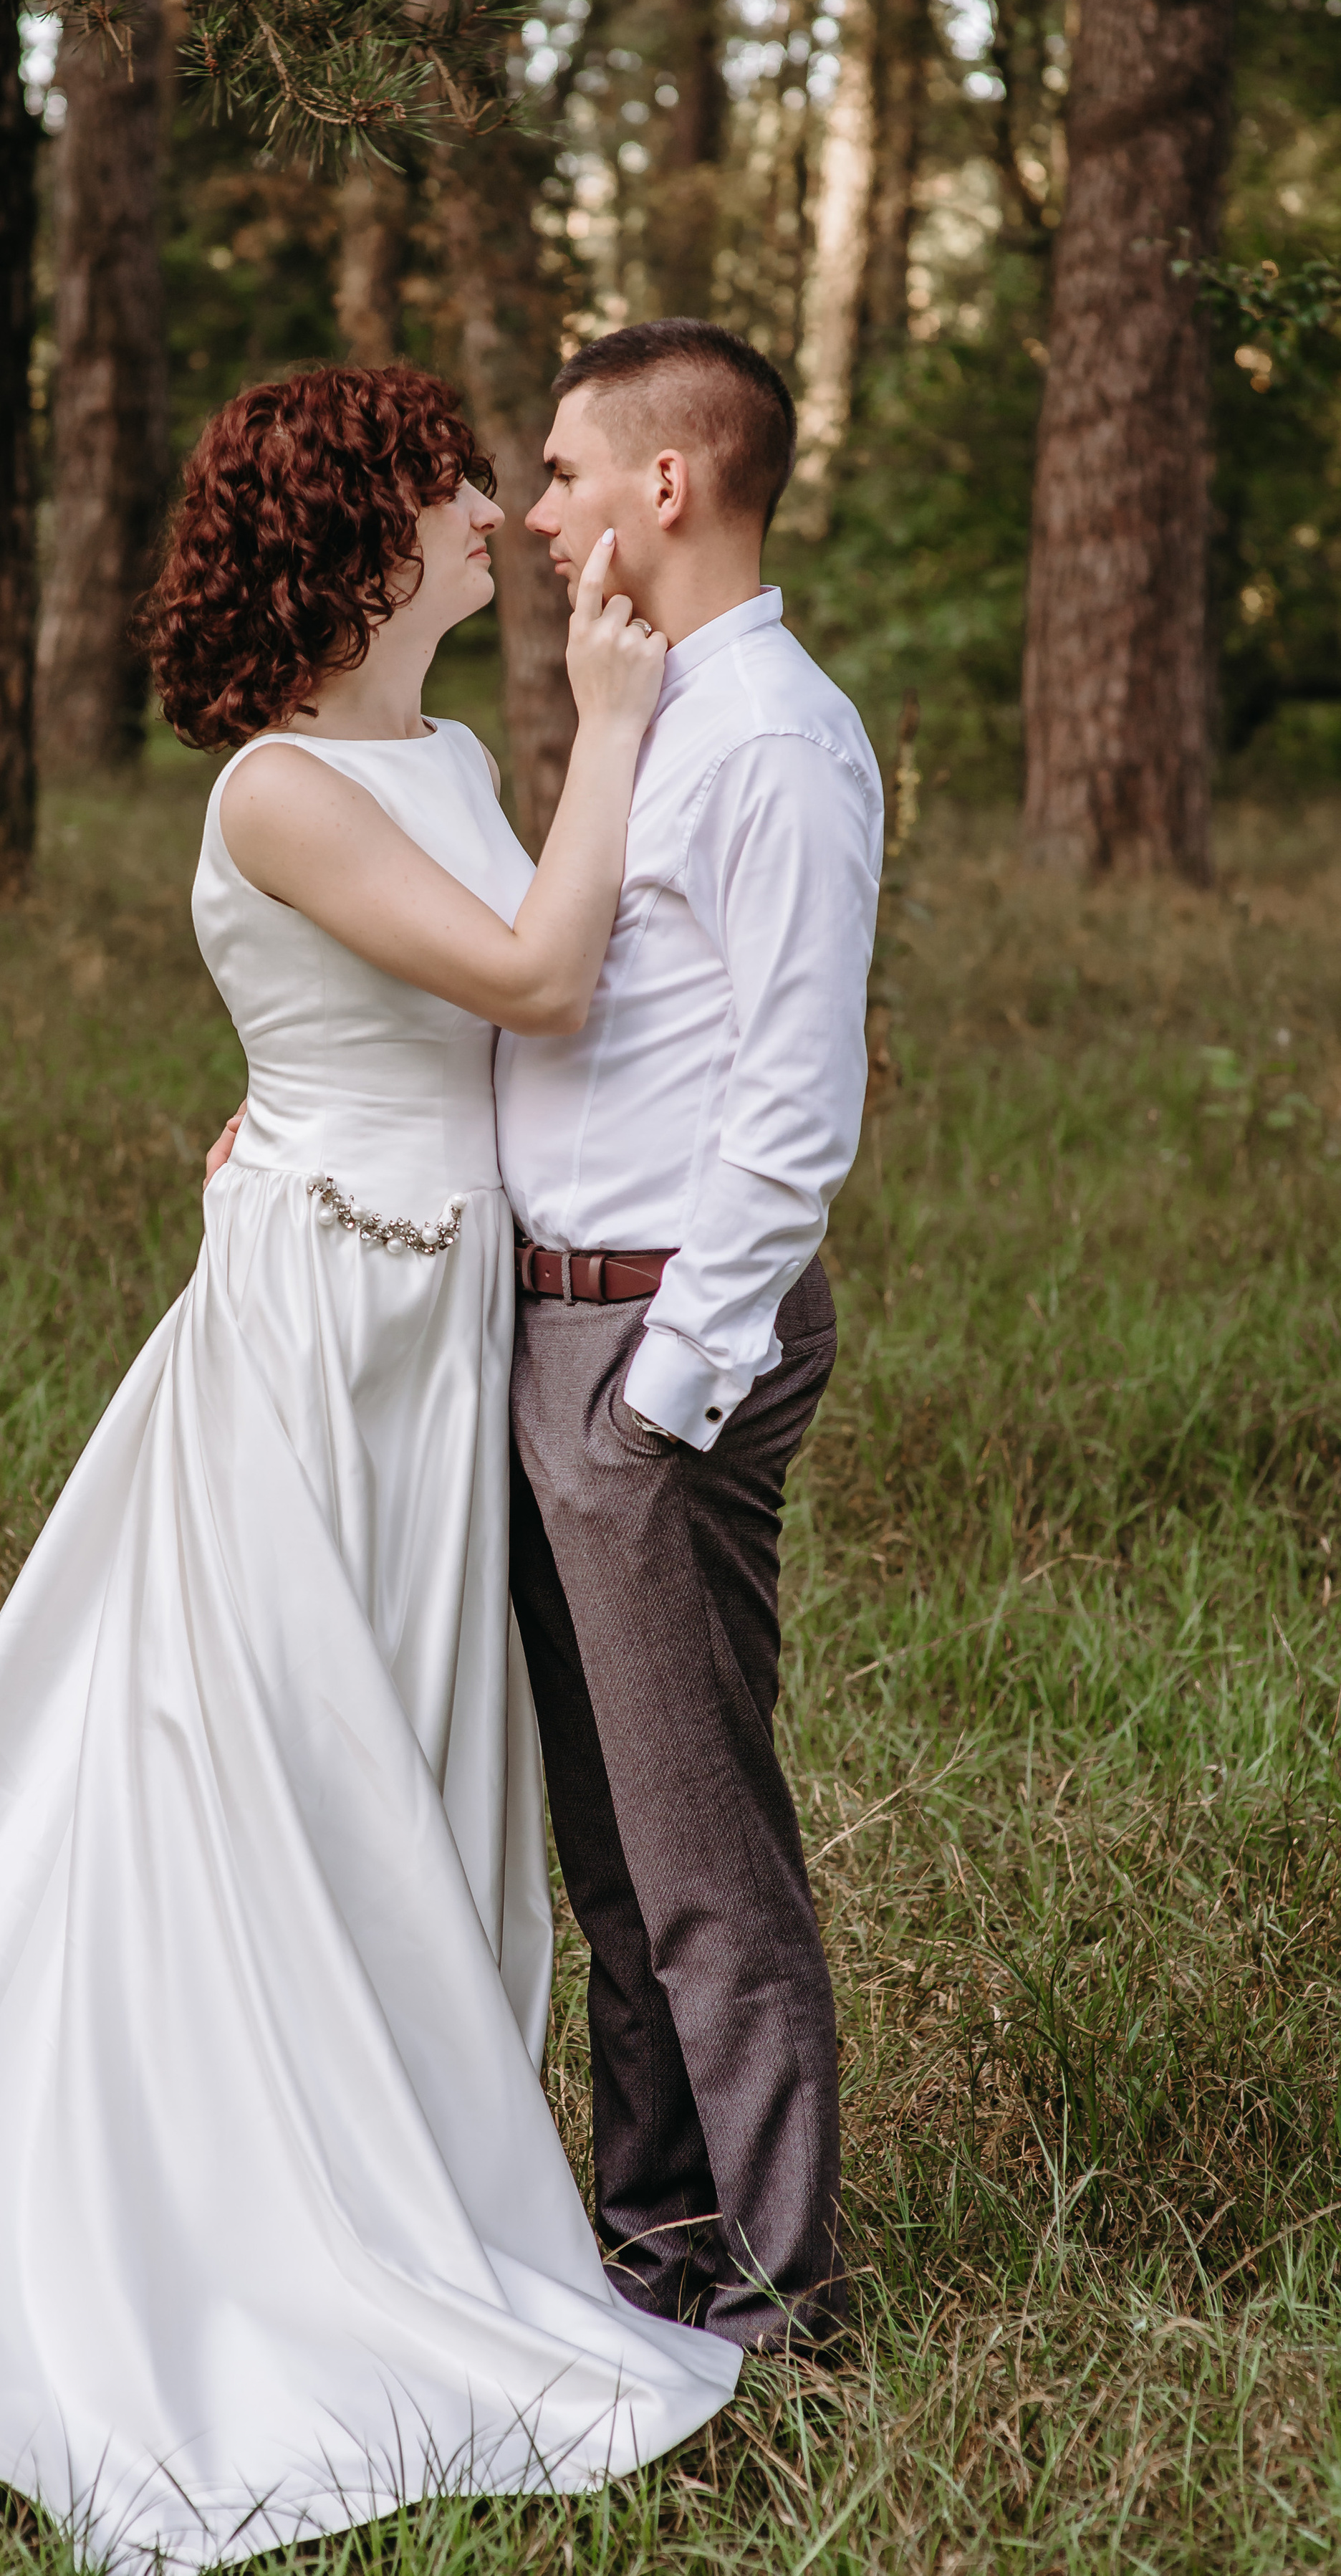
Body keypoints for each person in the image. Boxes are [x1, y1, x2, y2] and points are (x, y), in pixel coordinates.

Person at [0, 364, 741, 2570]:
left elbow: (507, 1027)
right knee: (276, 1770)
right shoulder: (269, 796)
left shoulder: (433, 756)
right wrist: (615, 737)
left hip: (440, 1321)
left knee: (419, 1759)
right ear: (357, 536)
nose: (493, 521)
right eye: (447, 491)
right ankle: (255, 2210)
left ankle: (417, 2144)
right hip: (322, 1334)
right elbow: (527, 974)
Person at [500, 318, 883, 2357]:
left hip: (661, 1345)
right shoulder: (640, 709)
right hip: (555, 1339)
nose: (539, 508)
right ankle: (650, 2247)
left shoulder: (777, 740)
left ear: (669, 484)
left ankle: (777, 2298)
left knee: (702, 1851)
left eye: (564, 469)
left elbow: (794, 1109)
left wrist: (661, 1390)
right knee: (612, 1856)